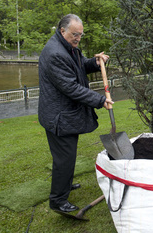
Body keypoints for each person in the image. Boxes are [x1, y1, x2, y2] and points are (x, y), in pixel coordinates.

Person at [38, 14, 113, 213]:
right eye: (74, 34)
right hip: (59, 117)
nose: (78, 38)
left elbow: (79, 68)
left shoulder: (68, 47)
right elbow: (70, 87)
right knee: (65, 158)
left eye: (80, 34)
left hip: (65, 114)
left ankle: (65, 184)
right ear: (62, 31)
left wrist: (95, 63)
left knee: (66, 155)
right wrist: (99, 100)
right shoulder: (54, 53)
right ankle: (58, 201)